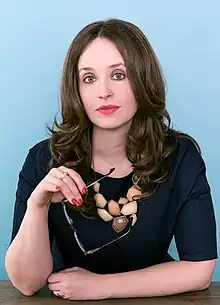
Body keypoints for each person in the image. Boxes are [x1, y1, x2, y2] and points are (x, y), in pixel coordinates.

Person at [5, 18, 217, 301]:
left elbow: (200, 270)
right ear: (76, 90)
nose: (103, 91)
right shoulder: (43, 159)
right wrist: (38, 205)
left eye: (118, 75)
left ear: (142, 78)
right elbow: (26, 284)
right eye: (89, 78)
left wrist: (101, 287)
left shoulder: (179, 156)